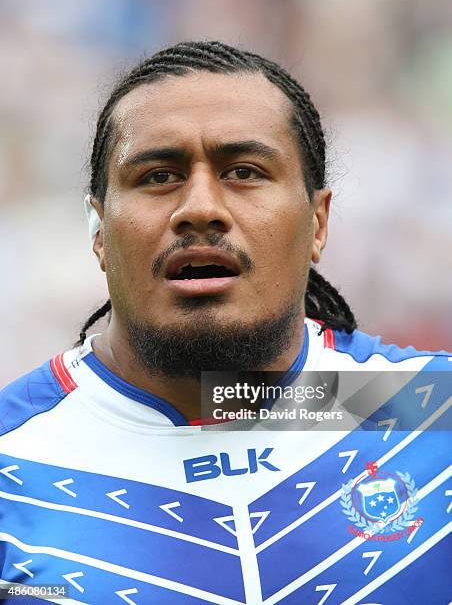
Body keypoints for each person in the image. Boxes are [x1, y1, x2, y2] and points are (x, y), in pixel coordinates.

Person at [0, 41, 450, 605]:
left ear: (317, 221)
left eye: (244, 171)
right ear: (98, 231)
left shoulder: (434, 411)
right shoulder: (12, 460)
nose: (200, 207)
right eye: (158, 175)